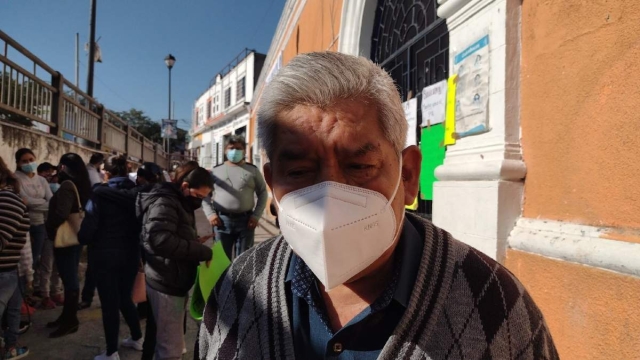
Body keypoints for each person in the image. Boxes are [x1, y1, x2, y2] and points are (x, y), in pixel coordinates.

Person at [197, 52, 559, 360]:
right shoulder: (237, 289)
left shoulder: (492, 304)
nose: (329, 200)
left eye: (359, 167)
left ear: (409, 176)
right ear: (273, 183)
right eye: (300, 171)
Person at [138, 163, 214, 360]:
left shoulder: (179, 200)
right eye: (198, 196)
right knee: (170, 350)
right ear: (185, 186)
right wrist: (200, 251)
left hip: (172, 276)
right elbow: (159, 239)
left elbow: (171, 234)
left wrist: (191, 241)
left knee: (164, 340)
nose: (199, 202)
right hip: (166, 281)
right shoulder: (166, 202)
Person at [78, 155, 143, 360]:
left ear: (105, 172)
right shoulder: (137, 194)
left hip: (104, 255)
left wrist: (82, 239)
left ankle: (111, 352)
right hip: (131, 253)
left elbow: (89, 226)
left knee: (109, 303)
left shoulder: (98, 194)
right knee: (125, 297)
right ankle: (137, 337)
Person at [45, 153, 91, 338]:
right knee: (70, 276)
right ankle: (66, 317)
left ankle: (70, 320)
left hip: (65, 238)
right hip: (76, 236)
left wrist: (50, 227)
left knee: (69, 278)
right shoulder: (84, 185)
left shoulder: (66, 186)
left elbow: (61, 213)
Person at [202, 135, 268, 260]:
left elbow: (263, 192)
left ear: (244, 150)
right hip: (221, 221)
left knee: (243, 260)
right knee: (221, 259)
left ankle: (239, 280)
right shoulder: (216, 171)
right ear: (225, 150)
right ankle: (222, 280)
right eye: (231, 148)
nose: (235, 151)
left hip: (246, 221)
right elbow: (205, 195)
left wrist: (256, 216)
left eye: (238, 148)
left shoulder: (252, 170)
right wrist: (211, 214)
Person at [0, 156, 31, 359]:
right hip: (8, 271)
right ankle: (10, 348)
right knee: (11, 312)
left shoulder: (7, 199)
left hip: (4, 271)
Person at [13, 149, 53, 302]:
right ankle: (19, 297)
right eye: (24, 161)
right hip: (23, 224)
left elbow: (52, 202)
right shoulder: (16, 179)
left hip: (40, 224)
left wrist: (37, 204)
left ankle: (29, 293)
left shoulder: (41, 180)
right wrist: (43, 203)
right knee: (24, 262)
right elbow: (25, 201)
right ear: (18, 163)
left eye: (31, 159)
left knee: (36, 260)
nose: (29, 163)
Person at [36, 163, 63, 309]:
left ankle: (56, 292)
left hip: (57, 231)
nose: (50, 176)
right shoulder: (39, 186)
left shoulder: (60, 189)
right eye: (47, 173)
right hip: (46, 230)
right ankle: (45, 294)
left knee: (57, 265)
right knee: (47, 264)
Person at [79, 153, 105, 310]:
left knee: (93, 269)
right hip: (112, 243)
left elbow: (90, 221)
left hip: (98, 240)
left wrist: (84, 238)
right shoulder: (127, 194)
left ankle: (87, 298)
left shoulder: (97, 196)